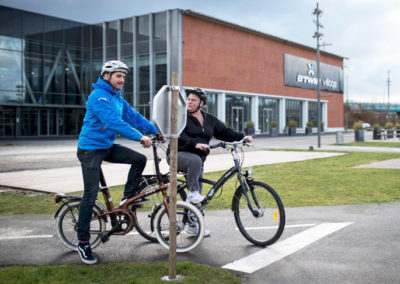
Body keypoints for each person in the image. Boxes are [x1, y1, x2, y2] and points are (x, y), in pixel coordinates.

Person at [76, 60, 160, 265]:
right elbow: (114, 122)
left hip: (105, 147)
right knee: (90, 194)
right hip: (89, 150)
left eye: (124, 76)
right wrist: (140, 137)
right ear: (106, 76)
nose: (122, 80)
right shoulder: (99, 97)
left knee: (139, 159)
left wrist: (155, 131)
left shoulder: (117, 98)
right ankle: (83, 242)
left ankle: (128, 198)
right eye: (118, 76)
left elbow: (133, 116)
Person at [168, 87, 253, 235]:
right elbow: (178, 136)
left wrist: (242, 137)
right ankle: (192, 192)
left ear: (201, 103)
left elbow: (225, 132)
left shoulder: (209, 119)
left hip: (198, 161)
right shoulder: (181, 117)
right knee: (195, 184)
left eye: (193, 100)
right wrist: (194, 144)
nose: (189, 102)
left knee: (198, 198)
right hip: (177, 155)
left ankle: (193, 226)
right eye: (188, 99)